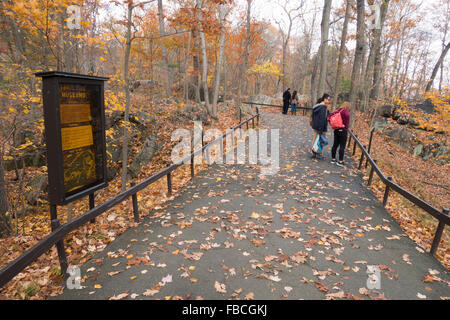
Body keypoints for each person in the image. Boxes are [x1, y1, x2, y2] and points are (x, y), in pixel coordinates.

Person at [329, 103, 350, 167]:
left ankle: (333, 159)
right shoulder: (346, 112)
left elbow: (329, 117)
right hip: (343, 130)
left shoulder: (338, 110)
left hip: (336, 129)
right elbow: (346, 122)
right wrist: (345, 127)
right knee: (342, 146)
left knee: (335, 144)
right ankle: (340, 161)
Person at [311, 93, 331, 159]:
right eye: (328, 99)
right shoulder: (323, 107)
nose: (329, 101)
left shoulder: (317, 106)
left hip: (316, 126)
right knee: (321, 140)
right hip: (321, 127)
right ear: (324, 99)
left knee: (315, 139)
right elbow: (322, 119)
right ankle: (319, 154)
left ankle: (314, 153)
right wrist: (321, 129)